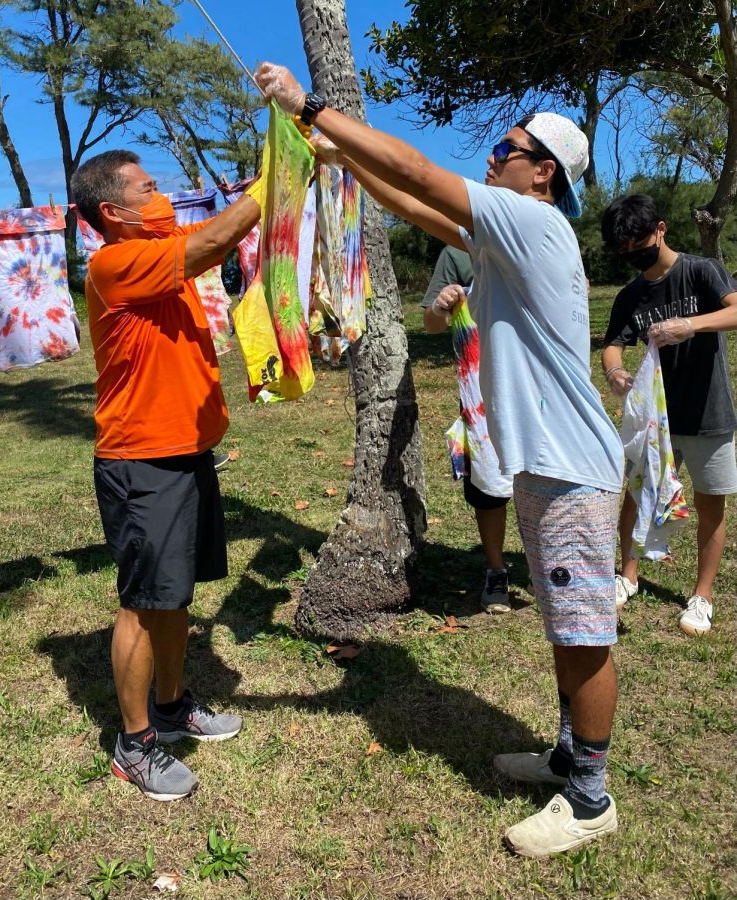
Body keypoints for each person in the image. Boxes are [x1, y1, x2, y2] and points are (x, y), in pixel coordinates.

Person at [255, 63, 624, 858]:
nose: (491, 158)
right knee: (567, 623)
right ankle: (567, 756)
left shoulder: (534, 222)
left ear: (543, 171)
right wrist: (342, 158)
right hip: (549, 466)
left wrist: (309, 105)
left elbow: (421, 170)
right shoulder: (508, 238)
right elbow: (417, 203)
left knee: (585, 630)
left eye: (504, 147)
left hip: (572, 469)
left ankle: (591, 798)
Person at [70, 150, 261, 801]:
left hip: (184, 452)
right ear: (112, 211)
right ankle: (134, 743)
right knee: (143, 603)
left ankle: (173, 707)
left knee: (173, 596)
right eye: (149, 189)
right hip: (140, 458)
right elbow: (217, 236)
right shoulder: (114, 262)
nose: (164, 195)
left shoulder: (155, 242)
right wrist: (282, 175)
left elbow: (211, 235)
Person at [601, 194, 737, 635]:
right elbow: (612, 345)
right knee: (638, 495)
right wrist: (617, 373)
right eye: (625, 252)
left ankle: (702, 596)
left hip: (708, 413)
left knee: (709, 503)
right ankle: (628, 576)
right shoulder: (632, 294)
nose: (634, 256)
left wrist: (691, 325)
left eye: (639, 243)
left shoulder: (701, 271)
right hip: (655, 420)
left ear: (661, 229)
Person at [422, 246, 513, 613]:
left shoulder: (532, 231)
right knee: (489, 488)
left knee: (544, 481)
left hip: (536, 387)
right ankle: (496, 570)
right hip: (481, 400)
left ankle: (549, 568)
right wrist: (441, 305)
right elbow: (431, 324)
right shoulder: (455, 252)